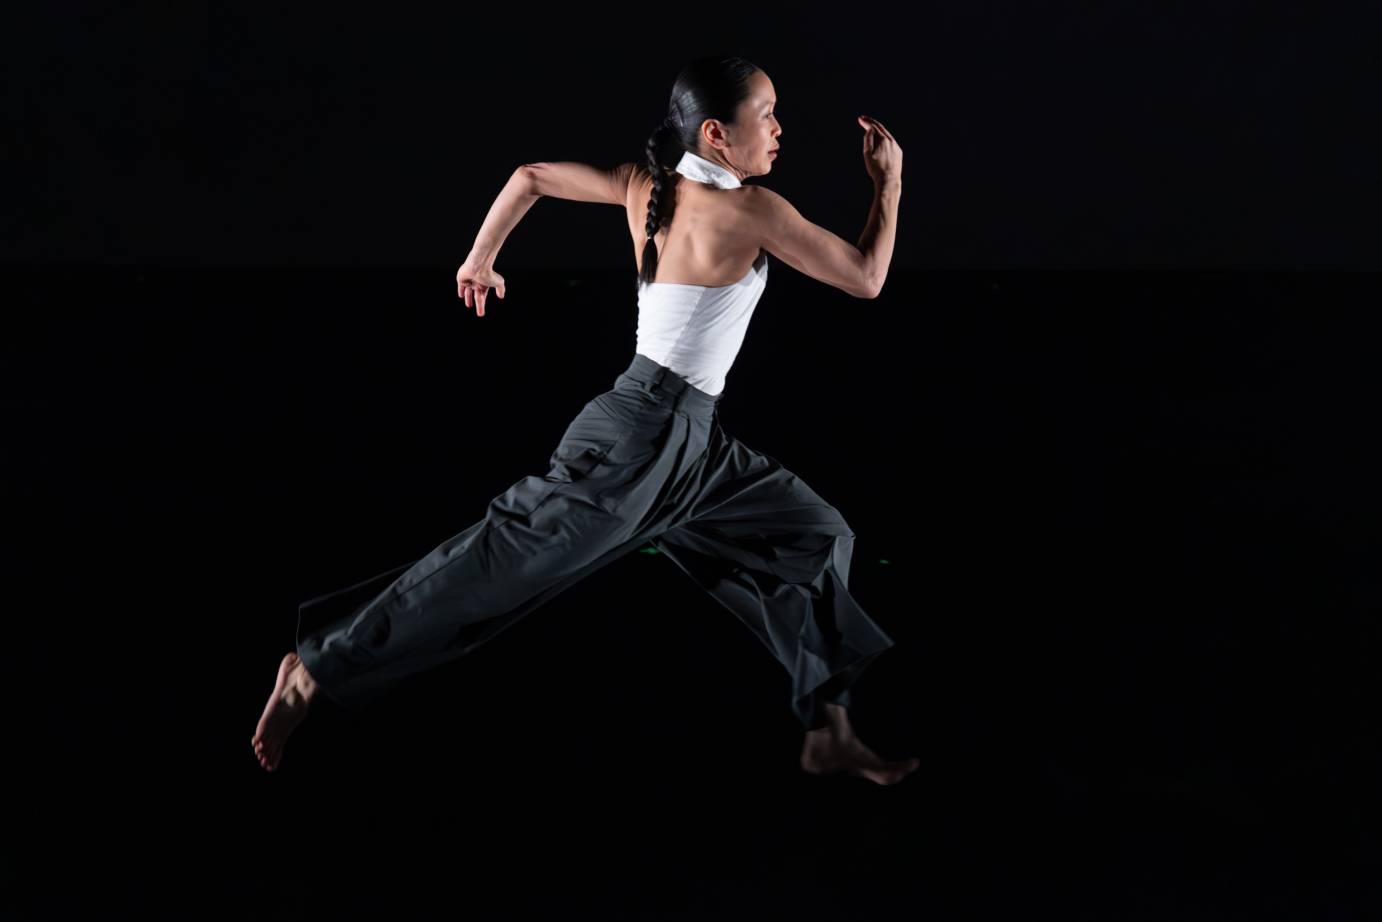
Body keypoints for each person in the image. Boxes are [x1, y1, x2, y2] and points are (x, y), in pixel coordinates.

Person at [254, 55, 917, 785]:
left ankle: (828, 730)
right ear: (716, 135)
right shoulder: (750, 211)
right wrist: (886, 182)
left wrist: (480, 259)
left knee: (813, 535)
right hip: (640, 439)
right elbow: (867, 277)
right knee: (502, 562)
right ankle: (316, 668)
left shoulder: (649, 186)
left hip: (692, 447)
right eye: (767, 115)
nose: (780, 128)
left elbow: (530, 175)